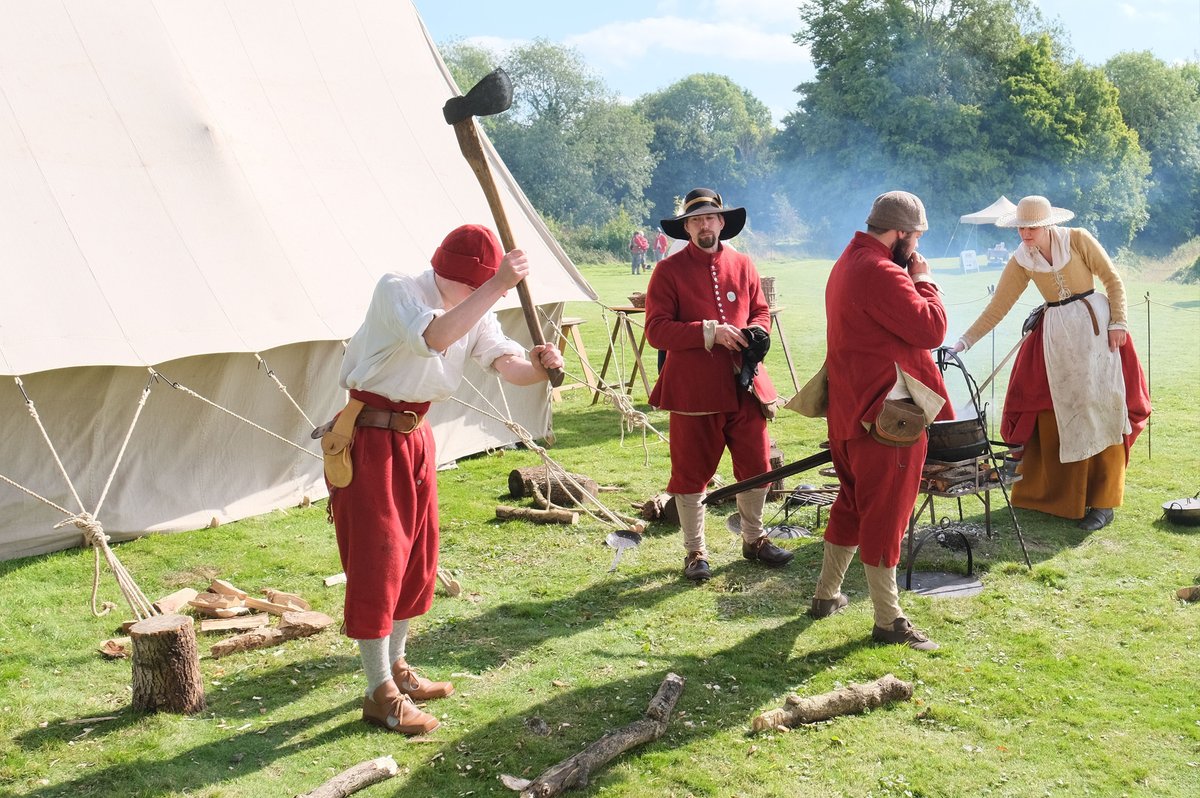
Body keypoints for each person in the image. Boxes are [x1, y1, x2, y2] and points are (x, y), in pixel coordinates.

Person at [326, 224, 564, 734]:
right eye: (469, 288)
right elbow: (434, 336)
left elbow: (509, 365)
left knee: (416, 554)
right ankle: (377, 691)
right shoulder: (398, 290)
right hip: (369, 433)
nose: (471, 298)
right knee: (378, 556)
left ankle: (398, 666)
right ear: (443, 273)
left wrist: (541, 367)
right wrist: (497, 285)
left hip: (415, 436)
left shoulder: (476, 307)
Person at [808, 190, 953, 651]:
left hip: (851, 413)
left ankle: (826, 596)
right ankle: (889, 620)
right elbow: (932, 329)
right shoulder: (882, 270)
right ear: (902, 235)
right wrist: (925, 280)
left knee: (851, 506)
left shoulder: (848, 262)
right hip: (885, 418)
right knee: (885, 516)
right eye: (915, 240)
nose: (916, 249)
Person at [952, 195, 1150, 531]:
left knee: (1101, 409)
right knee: (1052, 408)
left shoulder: (1078, 239)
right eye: (1021, 228)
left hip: (1097, 329)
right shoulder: (1022, 259)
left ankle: (1103, 503)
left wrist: (1119, 323)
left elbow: (1112, 279)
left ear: (1048, 225)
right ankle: (1057, 497)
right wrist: (963, 342)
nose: (1025, 234)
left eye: (1032, 227)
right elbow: (998, 307)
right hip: (1056, 336)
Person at [644, 187, 791, 582]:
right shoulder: (667, 271)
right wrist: (710, 332)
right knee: (691, 474)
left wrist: (758, 330)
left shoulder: (744, 264)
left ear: (722, 223)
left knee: (757, 466)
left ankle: (754, 539)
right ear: (686, 227)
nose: (703, 225)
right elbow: (657, 331)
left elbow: (760, 309)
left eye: (710, 217)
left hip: (746, 386)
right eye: (695, 219)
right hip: (694, 391)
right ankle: (695, 552)